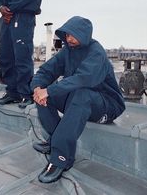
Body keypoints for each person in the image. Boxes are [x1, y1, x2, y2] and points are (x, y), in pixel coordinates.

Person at [31, 16, 125, 183]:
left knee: (80, 93)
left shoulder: (96, 52)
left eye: (73, 35)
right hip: (80, 101)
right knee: (43, 96)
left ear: (84, 34)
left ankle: (60, 157)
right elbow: (46, 71)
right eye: (66, 35)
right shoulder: (68, 51)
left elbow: (84, 79)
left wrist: (49, 90)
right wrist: (38, 88)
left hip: (107, 105)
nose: (69, 39)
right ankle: (55, 139)